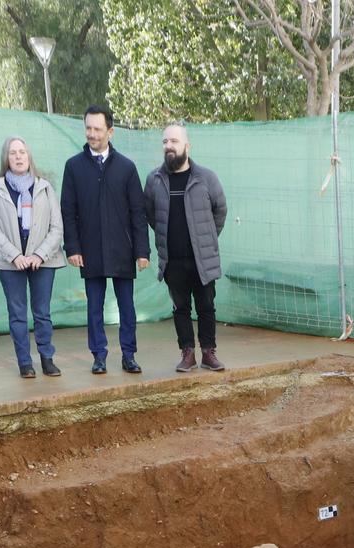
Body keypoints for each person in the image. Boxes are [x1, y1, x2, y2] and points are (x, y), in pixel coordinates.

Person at [59, 105, 149, 374]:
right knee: (94, 308)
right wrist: (72, 247)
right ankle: (99, 356)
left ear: (110, 131)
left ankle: (129, 355)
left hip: (122, 250)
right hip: (89, 251)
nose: (92, 134)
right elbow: (68, 210)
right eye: (88, 128)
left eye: (97, 129)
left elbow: (138, 213)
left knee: (127, 307)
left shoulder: (127, 168)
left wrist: (141, 251)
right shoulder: (73, 167)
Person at [143, 123, 229, 373]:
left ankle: (209, 353)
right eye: (165, 142)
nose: (169, 146)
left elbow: (220, 210)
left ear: (186, 146)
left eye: (174, 141)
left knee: (206, 307)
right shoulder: (154, 180)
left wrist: (208, 238)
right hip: (173, 260)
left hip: (202, 258)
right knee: (180, 309)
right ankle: (187, 353)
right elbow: (150, 214)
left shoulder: (206, 178)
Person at [0, 137, 64, 379]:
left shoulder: (45, 187)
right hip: (10, 263)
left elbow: (56, 227)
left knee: (42, 312)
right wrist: (14, 255)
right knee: (17, 313)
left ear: (29, 157)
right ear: (6, 159)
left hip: (44, 261)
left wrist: (40, 254)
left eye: (22, 152)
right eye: (13, 153)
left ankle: (47, 359)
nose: (18, 157)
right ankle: (25, 363)